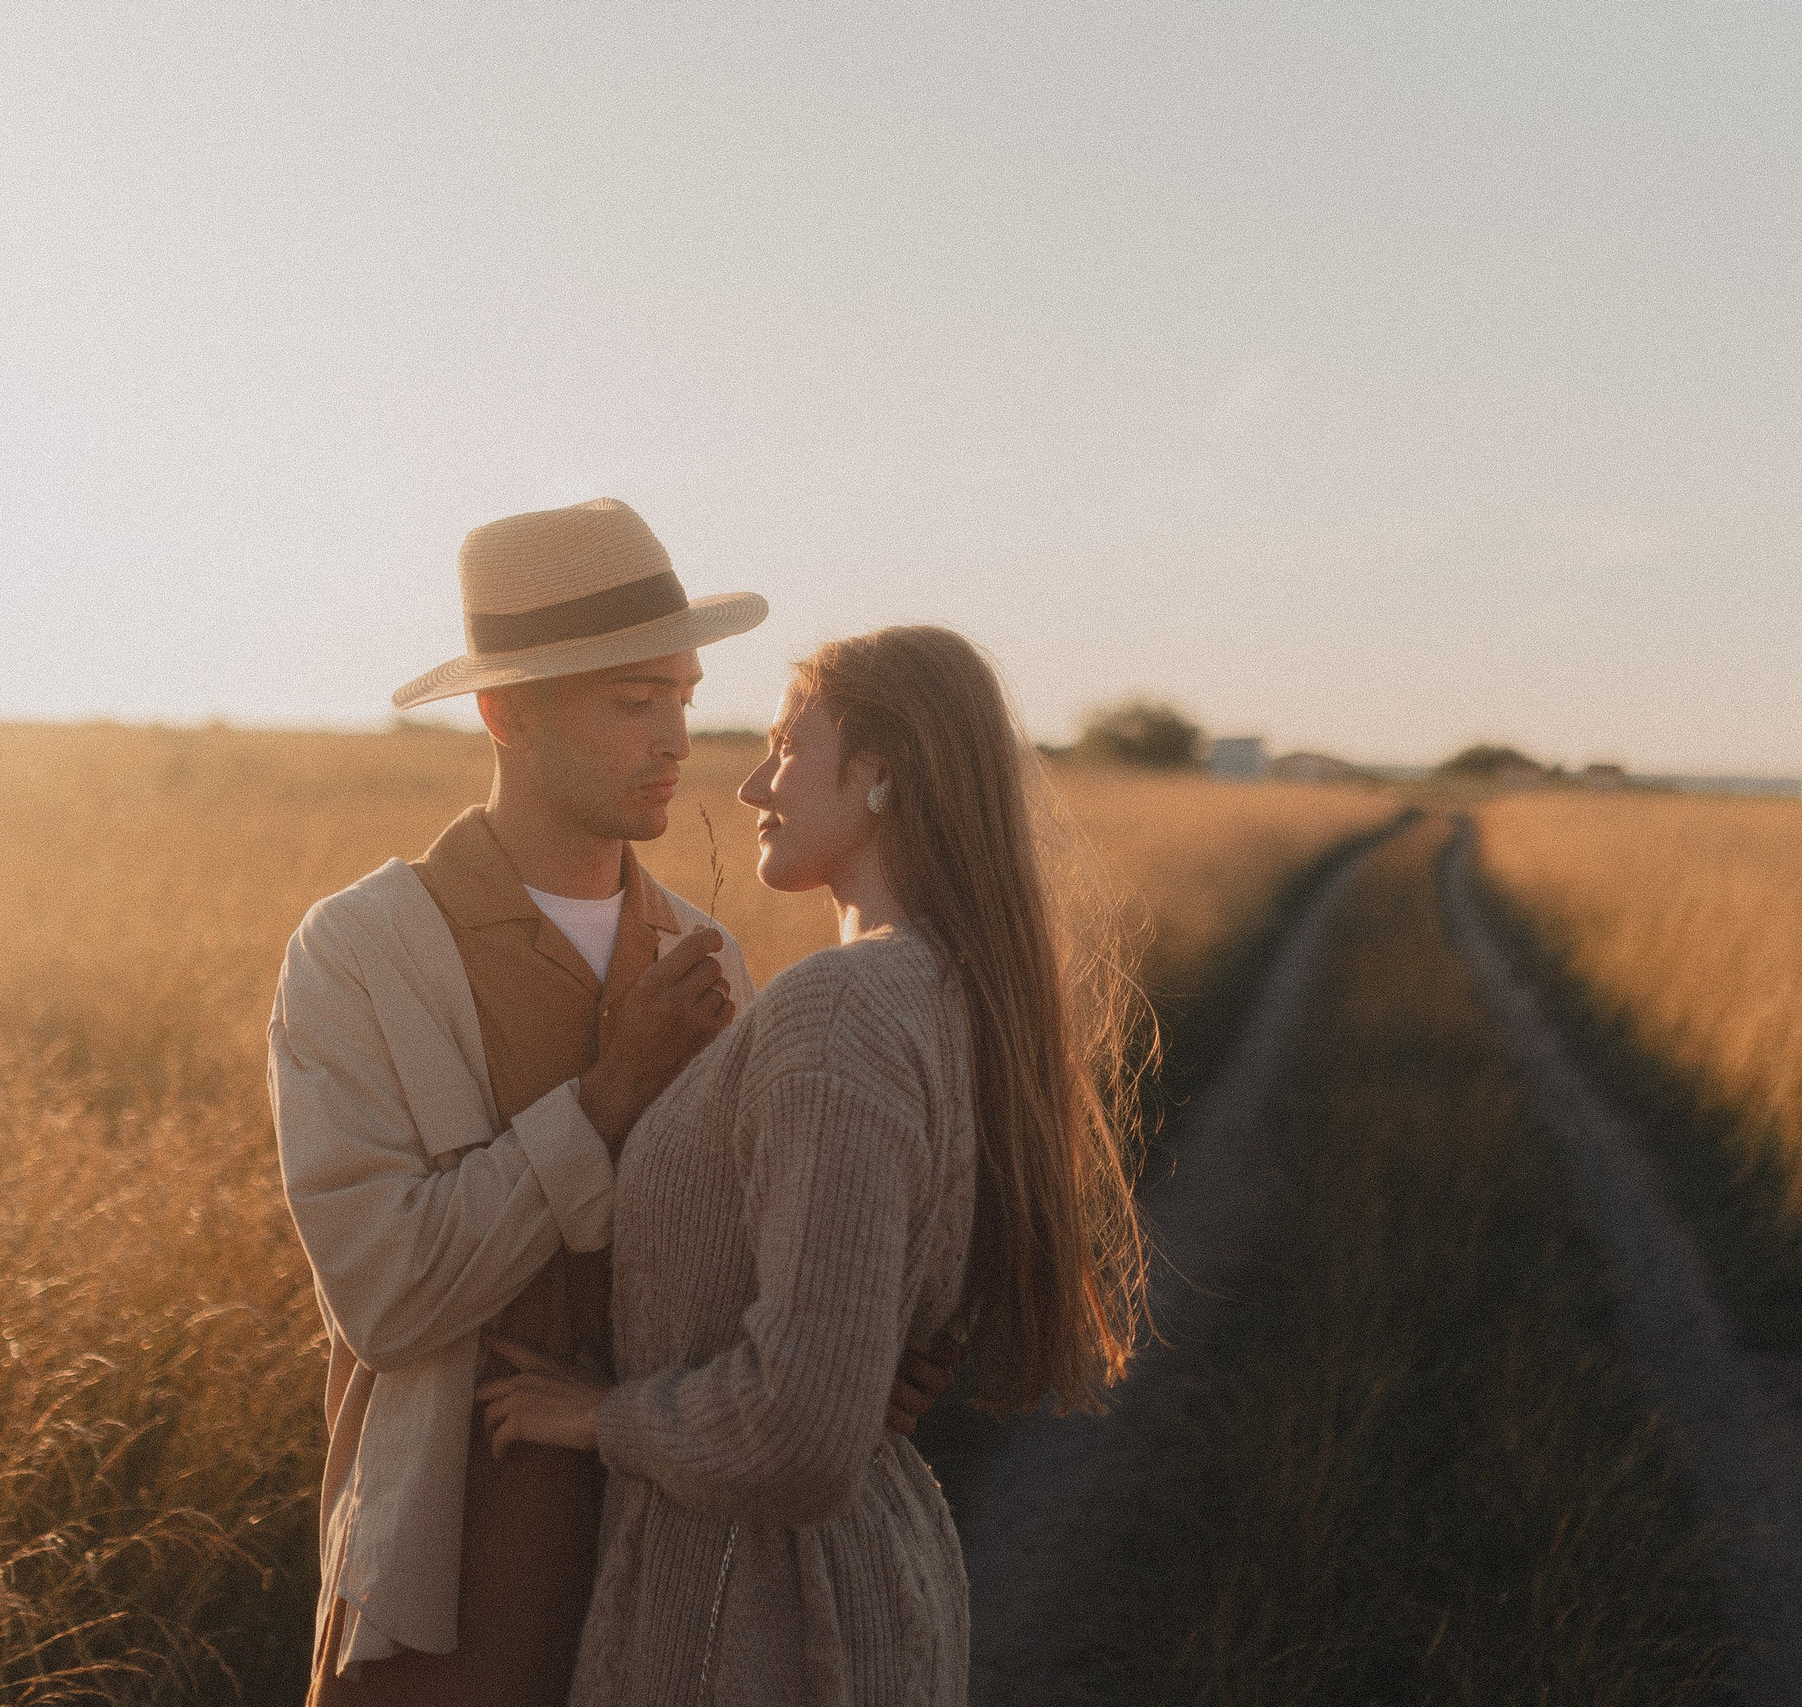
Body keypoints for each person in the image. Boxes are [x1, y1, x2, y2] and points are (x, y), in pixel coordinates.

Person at [268, 501, 957, 1707]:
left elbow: (746, 1264)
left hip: (687, 1573)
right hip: (452, 1579)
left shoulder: (704, 954)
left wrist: (861, 1354)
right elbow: (384, 1292)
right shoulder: (363, 951)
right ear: (507, 712)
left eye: (684, 696)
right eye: (634, 701)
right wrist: (607, 1097)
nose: (678, 738)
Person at [478, 624, 1152, 1705]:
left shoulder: (841, 1011)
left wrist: (595, 1415)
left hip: (760, 1622)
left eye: (788, 747)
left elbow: (799, 1429)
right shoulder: (939, 989)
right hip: (836, 1595)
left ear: (879, 774)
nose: (749, 785)